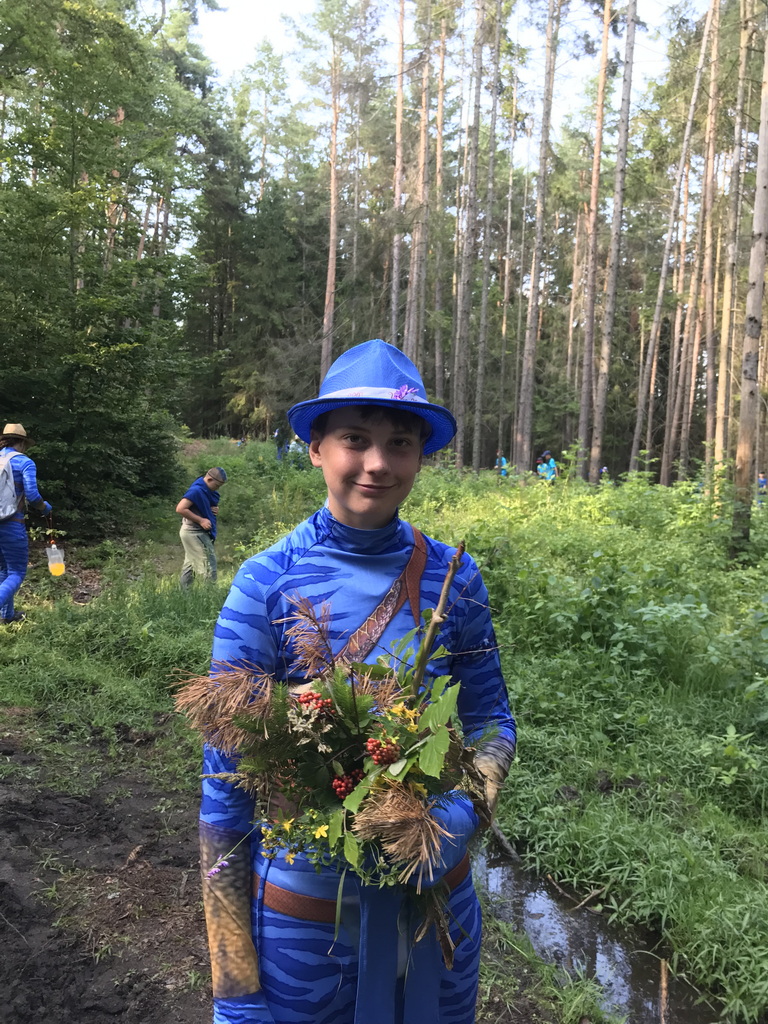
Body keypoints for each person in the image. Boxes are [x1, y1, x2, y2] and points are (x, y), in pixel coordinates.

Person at [199, 339, 517, 1024]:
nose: (377, 462)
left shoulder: (454, 578)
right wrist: (234, 982)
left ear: (421, 456)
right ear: (316, 447)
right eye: (355, 439)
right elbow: (224, 785)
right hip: (305, 926)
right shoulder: (267, 581)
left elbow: (492, 719)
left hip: (436, 911)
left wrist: (458, 816)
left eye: (399, 442)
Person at [0, 423, 52, 624]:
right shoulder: (24, 462)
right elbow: (32, 495)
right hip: (11, 524)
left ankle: (7, 615)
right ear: (21, 443)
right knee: (17, 572)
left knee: (4, 570)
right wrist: (45, 508)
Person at [176, 467, 227, 587]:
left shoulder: (206, 490)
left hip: (196, 532)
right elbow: (180, 508)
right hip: (193, 532)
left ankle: (183, 594)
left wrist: (211, 509)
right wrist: (201, 520)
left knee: (190, 566)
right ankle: (210, 594)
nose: (217, 489)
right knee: (208, 566)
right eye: (217, 485)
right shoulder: (196, 490)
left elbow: (200, 505)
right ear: (209, 479)